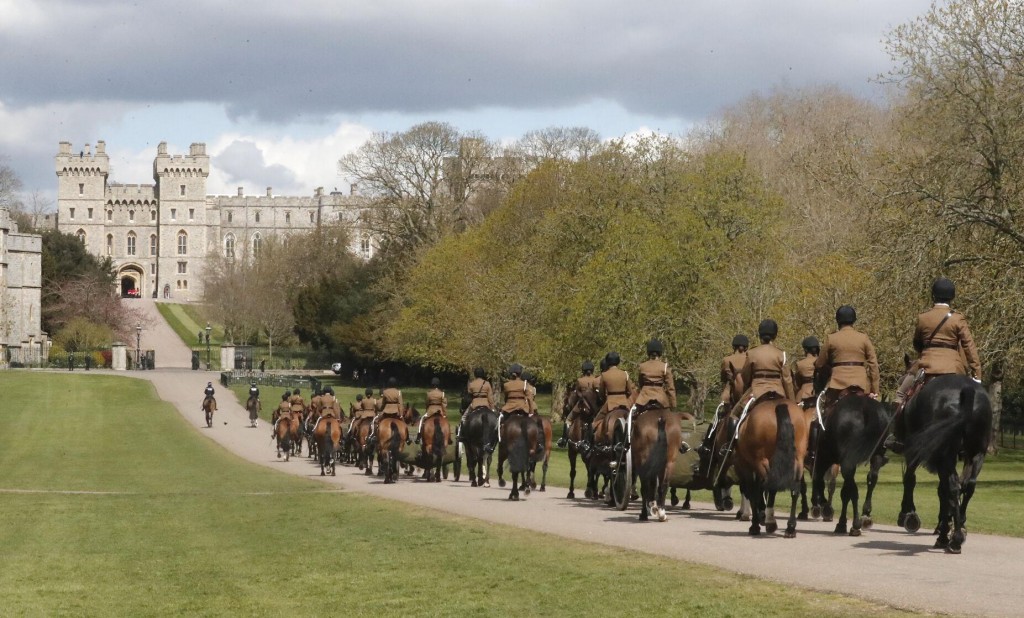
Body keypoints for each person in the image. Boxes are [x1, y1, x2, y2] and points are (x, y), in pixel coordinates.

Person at [888, 277, 982, 452]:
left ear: (933, 295)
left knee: (901, 395)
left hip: (928, 366)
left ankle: (898, 437)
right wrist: (977, 373)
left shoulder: (923, 318)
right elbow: (969, 346)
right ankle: (969, 439)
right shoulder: (958, 319)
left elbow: (917, 343)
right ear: (952, 297)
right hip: (954, 368)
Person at [813, 306, 880, 411]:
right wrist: (875, 389)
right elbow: (873, 364)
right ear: (854, 320)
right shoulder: (863, 338)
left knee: (824, 413)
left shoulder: (831, 338)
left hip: (837, 384)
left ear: (838, 320)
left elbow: (819, 364)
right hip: (861, 384)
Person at [730, 320, 794, 418]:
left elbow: (745, 377)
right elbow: (787, 380)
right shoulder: (782, 354)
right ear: (775, 336)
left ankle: (736, 433)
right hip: (779, 391)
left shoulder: (751, 353)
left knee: (734, 414)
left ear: (760, 335)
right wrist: (792, 401)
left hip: (756, 391)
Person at [484, 364, 533, 453]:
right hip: (522, 408)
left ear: (511, 374)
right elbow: (529, 399)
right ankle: (536, 445)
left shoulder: (507, 385)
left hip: (509, 408)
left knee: (498, 423)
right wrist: (531, 411)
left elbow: (506, 398)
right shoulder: (525, 384)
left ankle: (491, 445)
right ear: (520, 374)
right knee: (533, 425)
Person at [592, 351, 635, 446]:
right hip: (624, 403)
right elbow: (630, 391)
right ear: (618, 362)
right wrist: (624, 397)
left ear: (607, 362)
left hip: (610, 403)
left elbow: (602, 393)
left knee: (595, 422)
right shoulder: (625, 374)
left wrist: (604, 399)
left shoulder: (604, 375)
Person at [558, 361, 600, 448]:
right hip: (594, 407)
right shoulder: (596, 380)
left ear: (583, 370)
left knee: (568, 419)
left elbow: (577, 392)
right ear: (592, 370)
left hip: (582, 405)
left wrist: (582, 397)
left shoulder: (579, 380)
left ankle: (564, 439)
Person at [633, 339, 676, 411]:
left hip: (644, 398)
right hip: (661, 399)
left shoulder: (642, 366)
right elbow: (670, 388)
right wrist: (673, 404)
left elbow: (641, 383)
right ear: (660, 352)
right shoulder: (664, 366)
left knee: (635, 417)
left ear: (648, 352)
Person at [457, 368, 494, 441]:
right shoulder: (487, 384)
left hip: (474, 404)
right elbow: (490, 397)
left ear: (475, 375)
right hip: (486, 404)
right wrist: (492, 407)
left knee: (464, 418)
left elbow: (469, 396)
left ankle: (461, 434)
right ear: (483, 374)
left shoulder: (471, 384)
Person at [370, 378, 408, 444]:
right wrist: (401, 414)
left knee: (378, 423)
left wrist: (381, 409)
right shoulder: (398, 392)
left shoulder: (385, 392)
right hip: (396, 411)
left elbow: (383, 403)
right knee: (404, 425)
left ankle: (375, 436)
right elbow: (400, 403)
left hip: (387, 411)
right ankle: (407, 438)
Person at [416, 378, 450, 445]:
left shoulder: (429, 393)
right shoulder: (442, 393)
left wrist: (427, 410)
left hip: (430, 410)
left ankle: (419, 435)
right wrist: (444, 413)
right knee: (447, 423)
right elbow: (444, 404)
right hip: (440, 410)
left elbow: (427, 403)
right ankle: (449, 438)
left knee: (422, 420)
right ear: (438, 384)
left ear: (432, 384)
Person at [720, 335, 749, 410]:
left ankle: (718, 417)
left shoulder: (726, 359)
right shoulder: (750, 359)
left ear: (733, 347)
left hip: (732, 389)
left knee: (724, 400)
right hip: (748, 389)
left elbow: (723, 378)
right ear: (746, 347)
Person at [793, 336, 820, 408]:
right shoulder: (821, 362)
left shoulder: (800, 364)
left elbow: (797, 383)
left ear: (805, 349)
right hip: (819, 394)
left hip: (804, 395)